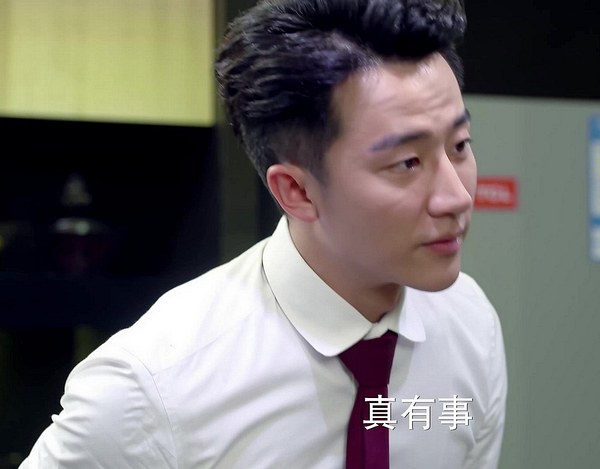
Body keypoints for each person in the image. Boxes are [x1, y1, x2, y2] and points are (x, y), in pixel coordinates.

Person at [20, 0, 507, 467]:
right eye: (407, 162)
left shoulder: (468, 324)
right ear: (297, 191)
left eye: (460, 145)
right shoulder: (151, 388)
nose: (457, 196)